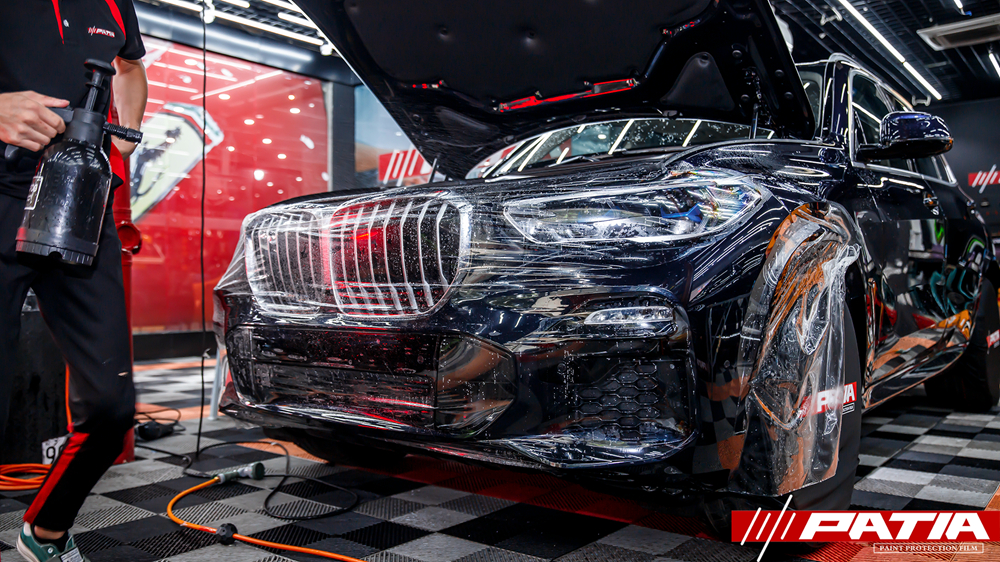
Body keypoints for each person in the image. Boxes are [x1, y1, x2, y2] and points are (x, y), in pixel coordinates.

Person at [0, 2, 147, 561]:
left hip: (81, 200)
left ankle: (45, 532)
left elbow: (130, 68)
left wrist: (126, 136)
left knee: (112, 406)